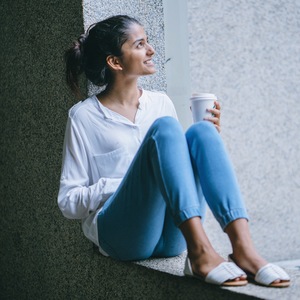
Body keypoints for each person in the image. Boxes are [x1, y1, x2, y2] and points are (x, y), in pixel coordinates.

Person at [58, 15, 290, 287]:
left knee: (202, 132)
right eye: (140, 44)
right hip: (123, 236)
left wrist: (207, 145)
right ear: (115, 62)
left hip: (172, 237)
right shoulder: (84, 117)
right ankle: (202, 252)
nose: (151, 50)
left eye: (149, 42)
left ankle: (243, 248)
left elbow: (174, 172)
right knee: (166, 128)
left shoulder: (160, 102)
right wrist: (122, 185)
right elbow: (67, 202)